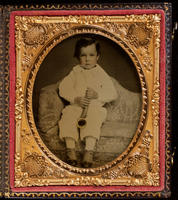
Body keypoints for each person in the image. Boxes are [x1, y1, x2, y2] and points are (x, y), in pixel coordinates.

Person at [58, 37, 118, 167]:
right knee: (67, 115)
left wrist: (97, 95)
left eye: (91, 55)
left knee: (94, 118)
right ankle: (70, 150)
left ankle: (88, 151)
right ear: (78, 57)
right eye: (83, 55)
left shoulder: (101, 73)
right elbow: (63, 88)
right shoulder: (75, 72)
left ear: (98, 57)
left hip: (94, 107)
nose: (87, 59)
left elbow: (113, 93)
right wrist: (75, 98)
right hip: (76, 106)